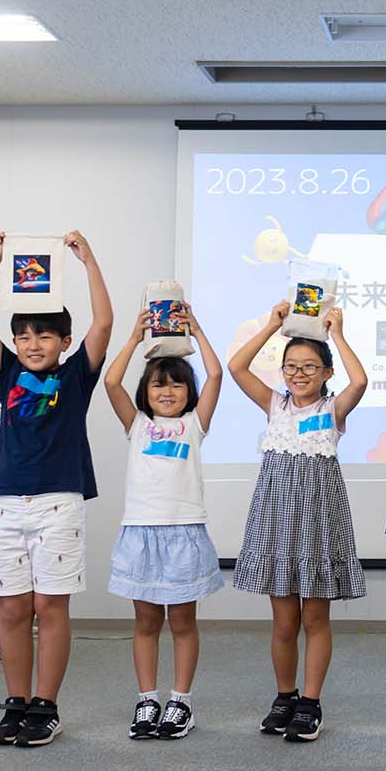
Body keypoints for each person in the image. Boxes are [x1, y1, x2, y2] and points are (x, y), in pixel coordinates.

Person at [0, 230, 114, 748]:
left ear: (63, 342)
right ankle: (16, 703)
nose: (33, 344)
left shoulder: (76, 377)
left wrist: (88, 260)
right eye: (24, 335)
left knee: (50, 607)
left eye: (44, 335)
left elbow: (104, 323)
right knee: (11, 608)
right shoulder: (5, 372)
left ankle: (45, 705)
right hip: (5, 503)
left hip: (58, 504)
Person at [228, 301, 367, 742]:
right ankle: (284, 697)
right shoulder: (274, 406)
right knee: (284, 622)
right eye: (291, 366)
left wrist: (337, 333)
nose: (299, 373)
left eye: (310, 366)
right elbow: (236, 366)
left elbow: (361, 380)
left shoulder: (333, 409)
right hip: (276, 527)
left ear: (327, 372)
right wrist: (272, 324)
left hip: (318, 528)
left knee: (315, 620)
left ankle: (311, 702)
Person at [102, 301, 224, 741]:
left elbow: (215, 376)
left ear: (187, 393)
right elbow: (111, 380)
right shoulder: (136, 424)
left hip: (184, 533)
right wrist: (136, 336)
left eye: (176, 385)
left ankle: (180, 701)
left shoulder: (194, 424)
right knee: (146, 622)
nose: (168, 392)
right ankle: (148, 699)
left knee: (183, 622)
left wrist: (197, 330)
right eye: (158, 385)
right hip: (141, 533)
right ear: (146, 392)